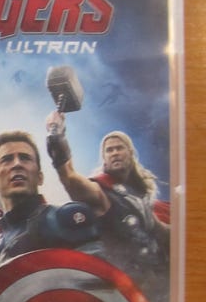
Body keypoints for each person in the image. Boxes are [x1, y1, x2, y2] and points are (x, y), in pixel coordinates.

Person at [45, 110, 170, 270]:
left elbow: (160, 231)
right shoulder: (101, 191)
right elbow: (69, 177)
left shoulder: (140, 197)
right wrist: (56, 134)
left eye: (119, 148)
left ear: (131, 153)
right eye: (109, 150)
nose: (115, 153)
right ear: (104, 159)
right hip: (123, 277)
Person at [0, 130, 100, 269]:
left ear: (40, 177)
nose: (17, 164)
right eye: (7, 159)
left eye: (25, 158)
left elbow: (97, 276)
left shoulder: (65, 218)